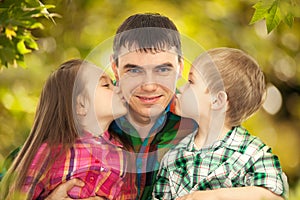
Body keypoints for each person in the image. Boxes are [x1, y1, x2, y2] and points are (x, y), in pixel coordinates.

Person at [1, 13, 288, 200]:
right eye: (134, 70)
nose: (149, 86)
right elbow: (15, 175)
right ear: (115, 68)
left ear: (179, 67)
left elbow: (267, 186)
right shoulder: (82, 130)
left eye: (162, 69)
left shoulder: (196, 131)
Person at [153, 47, 288, 200]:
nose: (182, 88)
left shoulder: (252, 154)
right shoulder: (172, 158)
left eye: (191, 82)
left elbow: (272, 196)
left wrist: (211, 196)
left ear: (217, 100)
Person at [0, 59, 137, 199]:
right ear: (81, 106)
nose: (117, 88)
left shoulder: (124, 153)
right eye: (106, 85)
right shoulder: (49, 151)